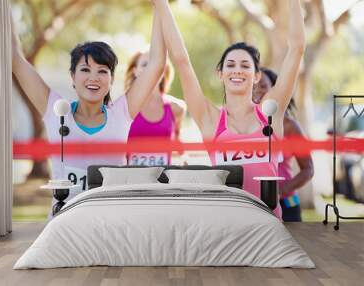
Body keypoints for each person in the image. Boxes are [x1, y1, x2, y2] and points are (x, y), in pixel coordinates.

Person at [154, 0, 306, 219]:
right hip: (227, 225)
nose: (238, 71)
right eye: (231, 65)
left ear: (256, 76)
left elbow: (297, 49)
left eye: (245, 66)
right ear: (221, 74)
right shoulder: (211, 119)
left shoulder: (269, 113)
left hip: (268, 227)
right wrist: (161, 4)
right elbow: (181, 60)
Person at [11, 3, 166, 205]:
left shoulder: (121, 113)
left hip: (111, 220)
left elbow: (156, 64)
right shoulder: (56, 111)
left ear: (111, 80)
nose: (94, 78)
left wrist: (159, 4)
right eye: (85, 69)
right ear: (72, 77)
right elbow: (15, 58)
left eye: (102, 71)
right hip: (66, 222)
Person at [254, 67, 314, 222]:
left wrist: (281, 191)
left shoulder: (289, 126)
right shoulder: (238, 125)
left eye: (263, 86)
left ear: (275, 90)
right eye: (253, 86)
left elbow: (308, 169)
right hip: (251, 205)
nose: (257, 91)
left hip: (287, 204)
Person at [125, 52, 186, 166]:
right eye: (145, 65)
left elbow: (178, 148)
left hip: (162, 181)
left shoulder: (177, 108)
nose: (151, 69)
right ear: (135, 71)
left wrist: (185, 161)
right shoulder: (122, 106)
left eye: (156, 65)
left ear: (164, 71)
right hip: (130, 180)